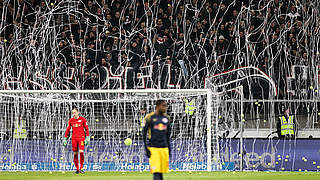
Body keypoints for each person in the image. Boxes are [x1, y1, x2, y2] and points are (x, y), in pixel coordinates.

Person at [143, 100, 171, 180]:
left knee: (161, 173)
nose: (165, 108)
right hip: (154, 148)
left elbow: (168, 135)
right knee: (156, 172)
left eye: (166, 106)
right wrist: (146, 148)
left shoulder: (167, 119)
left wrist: (169, 149)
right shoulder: (150, 118)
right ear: (157, 106)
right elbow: (144, 134)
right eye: (163, 106)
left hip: (164, 148)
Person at [63, 108, 90, 174]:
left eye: (75, 112)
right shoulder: (71, 120)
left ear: (78, 112)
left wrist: (87, 137)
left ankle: (81, 168)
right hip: (74, 139)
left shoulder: (83, 119)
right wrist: (65, 138)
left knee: (81, 152)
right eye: (73, 113)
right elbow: (68, 129)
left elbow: (86, 129)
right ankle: (77, 169)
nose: (73, 114)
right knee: (75, 154)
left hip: (81, 138)